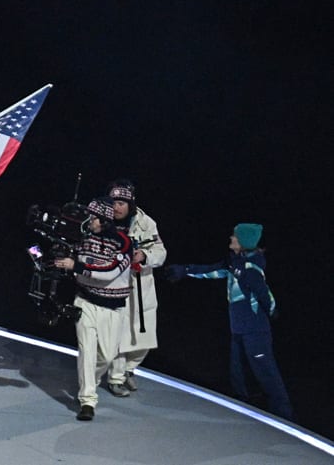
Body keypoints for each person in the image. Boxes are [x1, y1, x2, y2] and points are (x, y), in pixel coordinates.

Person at [167, 223, 287, 420]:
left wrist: (273, 312)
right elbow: (212, 270)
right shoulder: (235, 263)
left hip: (254, 330)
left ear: (244, 242)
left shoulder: (250, 268)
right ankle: (244, 404)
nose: (231, 238)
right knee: (238, 371)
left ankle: (284, 414)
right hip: (238, 328)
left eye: (235, 236)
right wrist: (185, 270)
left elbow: (265, 295)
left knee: (266, 372)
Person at [49, 189, 134, 419]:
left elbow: (109, 273)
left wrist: (75, 267)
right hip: (85, 302)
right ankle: (87, 401)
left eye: (94, 218)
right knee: (87, 352)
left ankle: (90, 380)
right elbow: (68, 258)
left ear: (105, 220)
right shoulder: (83, 238)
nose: (89, 221)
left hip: (113, 308)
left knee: (106, 357)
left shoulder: (124, 243)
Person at [103, 179, 166, 394]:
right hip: (113, 286)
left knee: (144, 339)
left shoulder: (146, 222)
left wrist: (144, 255)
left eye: (121, 202)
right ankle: (116, 379)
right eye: (113, 202)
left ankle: (129, 369)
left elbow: (160, 252)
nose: (116, 207)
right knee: (119, 337)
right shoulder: (102, 221)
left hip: (142, 288)